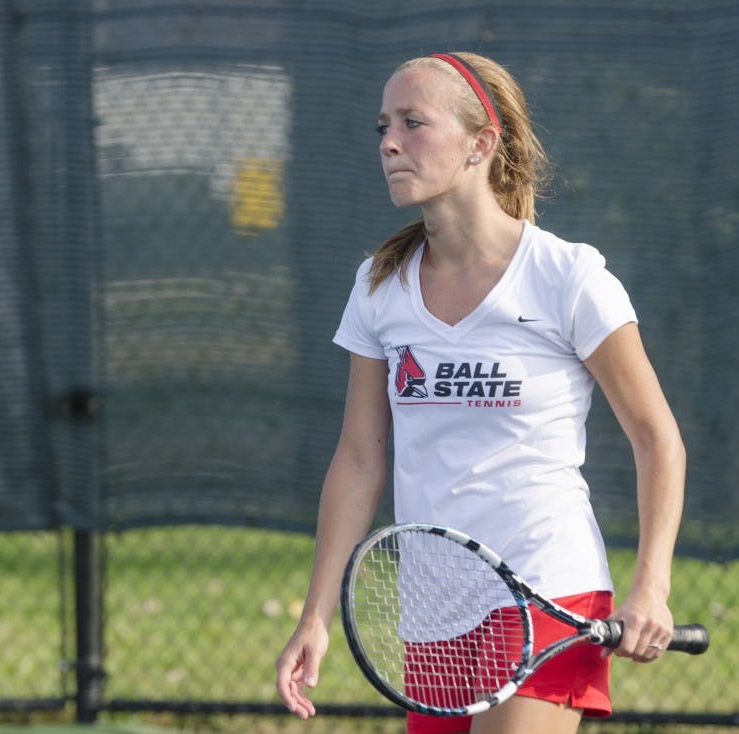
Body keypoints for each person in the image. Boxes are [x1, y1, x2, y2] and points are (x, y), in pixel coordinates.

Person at [274, 51, 686, 734]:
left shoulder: (568, 277)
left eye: (413, 122)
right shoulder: (378, 286)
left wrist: (653, 586)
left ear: (480, 144)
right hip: (431, 610)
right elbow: (358, 458)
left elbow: (656, 438)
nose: (389, 142)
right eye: (383, 126)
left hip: (548, 590)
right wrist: (314, 616)